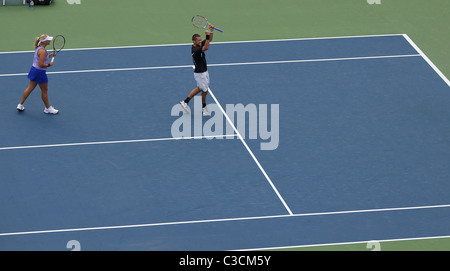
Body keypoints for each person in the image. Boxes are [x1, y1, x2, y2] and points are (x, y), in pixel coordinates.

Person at [17, 34, 59, 114]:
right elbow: (41, 64)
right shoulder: (43, 51)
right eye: (48, 40)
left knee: (30, 88)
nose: (50, 41)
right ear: (45, 42)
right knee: (44, 90)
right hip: (40, 73)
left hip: (33, 70)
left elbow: (40, 58)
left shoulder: (39, 48)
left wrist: (49, 55)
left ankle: (20, 104)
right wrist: (49, 64)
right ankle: (48, 108)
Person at [180, 24, 215, 116]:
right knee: (204, 90)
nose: (200, 41)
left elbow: (209, 40)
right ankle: (203, 108)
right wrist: (207, 36)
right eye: (199, 40)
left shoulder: (198, 45)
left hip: (204, 71)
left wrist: (211, 31)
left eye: (201, 40)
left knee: (202, 89)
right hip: (200, 73)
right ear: (194, 41)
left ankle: (186, 102)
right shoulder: (196, 50)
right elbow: (206, 47)